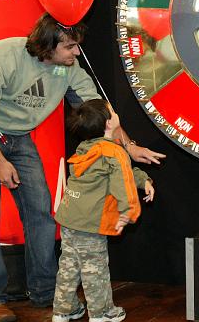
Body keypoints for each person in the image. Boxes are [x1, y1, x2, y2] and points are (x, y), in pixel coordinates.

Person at [0, 13, 165, 322]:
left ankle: (44, 291)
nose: (77, 52)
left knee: (40, 211)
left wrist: (130, 148)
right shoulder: (3, 56)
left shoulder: (69, 69)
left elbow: (102, 112)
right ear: (47, 46)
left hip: (17, 135)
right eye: (69, 47)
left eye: (77, 46)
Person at [51, 99, 155, 322]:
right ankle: (102, 313)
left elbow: (121, 171)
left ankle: (63, 310)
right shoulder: (113, 152)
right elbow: (122, 184)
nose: (115, 113)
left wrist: (143, 179)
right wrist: (129, 212)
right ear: (109, 123)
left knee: (68, 265)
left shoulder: (86, 147)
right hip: (91, 223)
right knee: (95, 269)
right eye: (112, 111)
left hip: (69, 218)